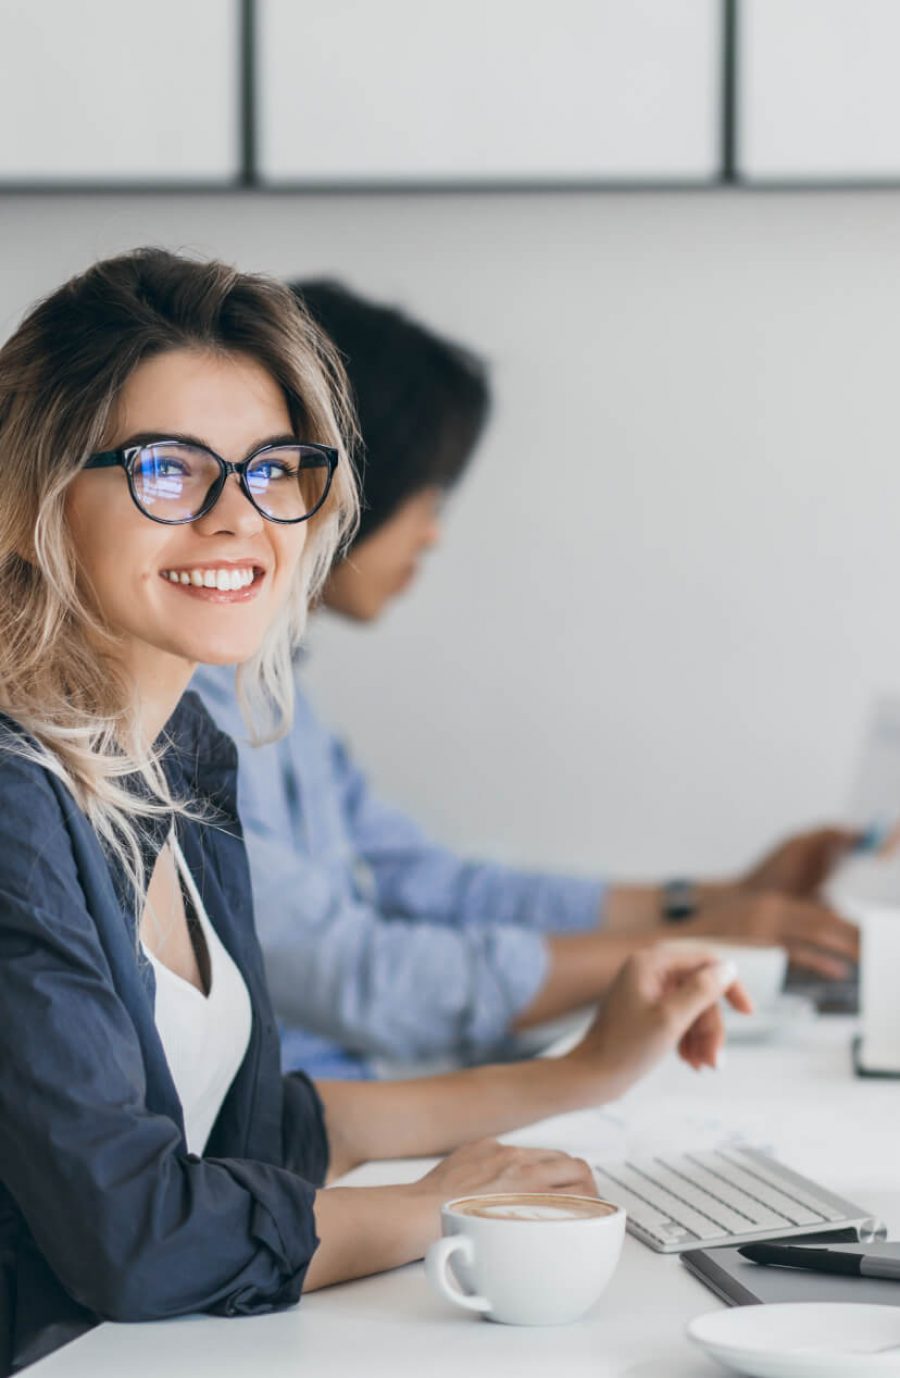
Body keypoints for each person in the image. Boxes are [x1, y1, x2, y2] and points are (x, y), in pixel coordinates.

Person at [0, 248, 751, 1374]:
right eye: (169, 469)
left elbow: (252, 1134)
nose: (236, 517)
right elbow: (138, 1236)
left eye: (274, 471)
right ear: (26, 494)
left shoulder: (183, 756)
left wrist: (584, 1073)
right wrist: (437, 1210)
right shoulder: (17, 801)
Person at [194, 281, 859, 1082]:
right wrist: (690, 947)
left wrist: (709, 904)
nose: (434, 531)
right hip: (317, 1138)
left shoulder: (273, 695)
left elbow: (429, 882)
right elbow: (358, 976)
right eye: (426, 491)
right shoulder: (184, 716)